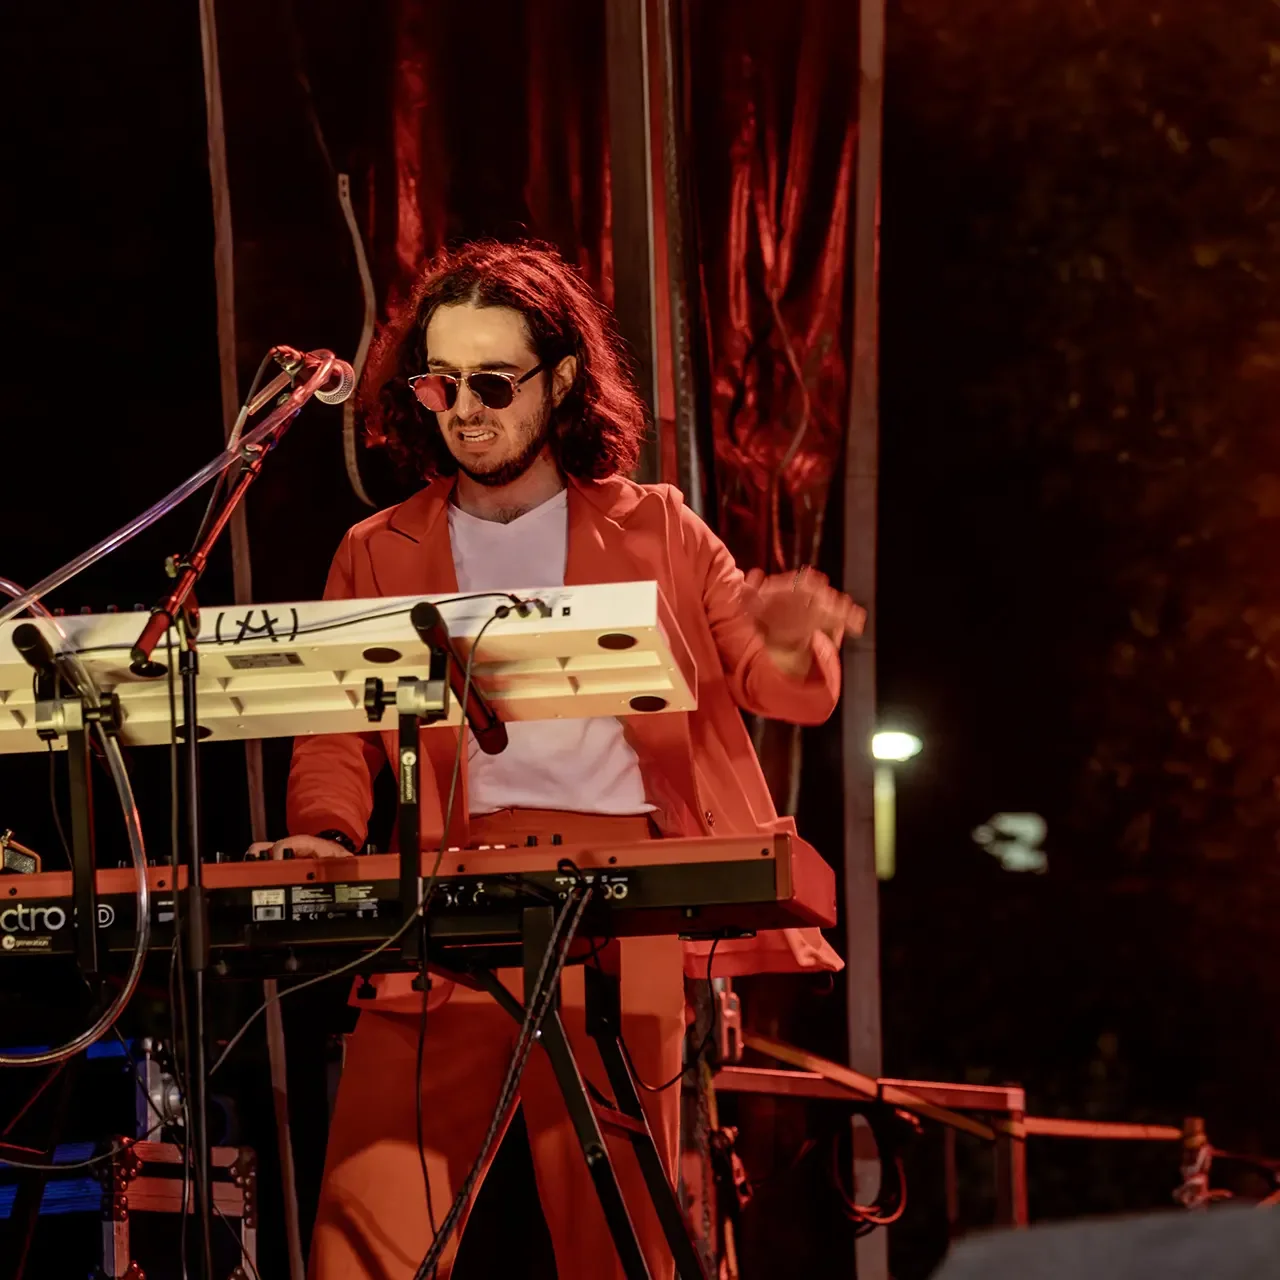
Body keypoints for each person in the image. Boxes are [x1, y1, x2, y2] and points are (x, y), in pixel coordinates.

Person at [250, 239, 864, 1279]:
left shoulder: (657, 526)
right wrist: (325, 834)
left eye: (493, 380)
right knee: (363, 1234)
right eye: (440, 382)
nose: (464, 407)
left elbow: (779, 686)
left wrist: (793, 633)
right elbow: (337, 728)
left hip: (623, 905)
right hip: (441, 901)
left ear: (562, 378)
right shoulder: (375, 548)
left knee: (618, 1239)